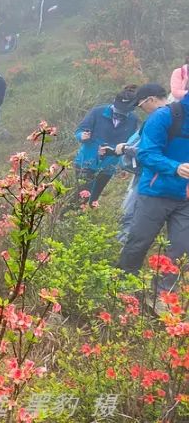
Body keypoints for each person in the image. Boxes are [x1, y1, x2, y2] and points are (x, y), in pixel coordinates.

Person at [117, 93, 189, 290]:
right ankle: (122, 288)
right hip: (155, 191)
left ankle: (162, 296)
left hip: (186, 197)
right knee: (139, 241)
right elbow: (146, 154)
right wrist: (175, 167)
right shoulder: (164, 116)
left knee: (182, 249)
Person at [116, 84, 168, 243]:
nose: (141, 109)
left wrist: (126, 149)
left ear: (150, 100)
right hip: (155, 175)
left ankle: (124, 255)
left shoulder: (159, 119)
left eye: (141, 105)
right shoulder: (175, 116)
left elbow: (149, 152)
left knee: (130, 216)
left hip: (150, 176)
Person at [73, 87, 140, 203]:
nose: (121, 112)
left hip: (108, 166)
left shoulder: (133, 120)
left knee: (93, 199)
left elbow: (129, 143)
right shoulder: (97, 112)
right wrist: (82, 136)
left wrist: (123, 164)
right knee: (80, 199)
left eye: (125, 110)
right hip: (86, 162)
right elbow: (79, 131)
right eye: (119, 108)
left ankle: (89, 219)